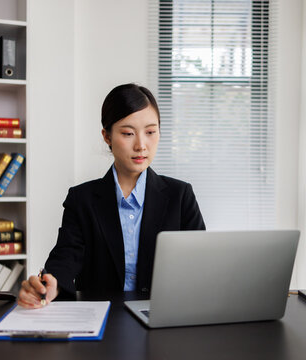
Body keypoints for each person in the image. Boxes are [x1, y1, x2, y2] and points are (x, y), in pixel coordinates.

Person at [18, 83, 205, 308]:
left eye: (150, 132)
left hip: (163, 314)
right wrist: (50, 284)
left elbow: (200, 265)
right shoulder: (82, 199)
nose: (141, 145)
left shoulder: (180, 195)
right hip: (102, 318)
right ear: (107, 136)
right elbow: (65, 259)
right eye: (128, 133)